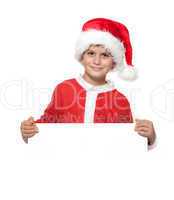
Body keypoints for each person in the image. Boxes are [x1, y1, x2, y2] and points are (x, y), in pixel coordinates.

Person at [20, 18, 156, 148]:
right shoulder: (64, 90)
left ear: (113, 62)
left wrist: (149, 137)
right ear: (82, 56)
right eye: (91, 53)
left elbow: (127, 141)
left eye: (105, 55)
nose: (97, 61)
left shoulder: (120, 100)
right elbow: (47, 125)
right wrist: (29, 130)